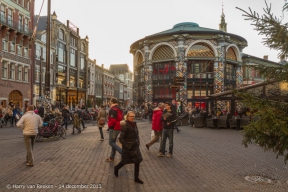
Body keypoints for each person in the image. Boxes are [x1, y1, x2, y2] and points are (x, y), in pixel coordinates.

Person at [114, 111, 143, 184]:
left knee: (137, 162)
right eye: (131, 116)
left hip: (135, 146)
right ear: (127, 117)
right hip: (129, 147)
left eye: (133, 116)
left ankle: (136, 178)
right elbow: (121, 138)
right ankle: (116, 168)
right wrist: (127, 146)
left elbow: (137, 134)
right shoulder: (125, 126)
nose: (132, 118)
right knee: (124, 161)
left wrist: (138, 142)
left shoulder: (134, 124)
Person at [105, 97, 123, 162]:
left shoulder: (113, 109)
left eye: (110, 101)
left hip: (114, 128)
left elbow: (113, 120)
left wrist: (110, 125)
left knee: (111, 142)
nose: (109, 102)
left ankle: (122, 152)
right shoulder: (119, 108)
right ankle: (112, 157)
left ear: (112, 102)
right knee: (114, 142)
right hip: (118, 127)